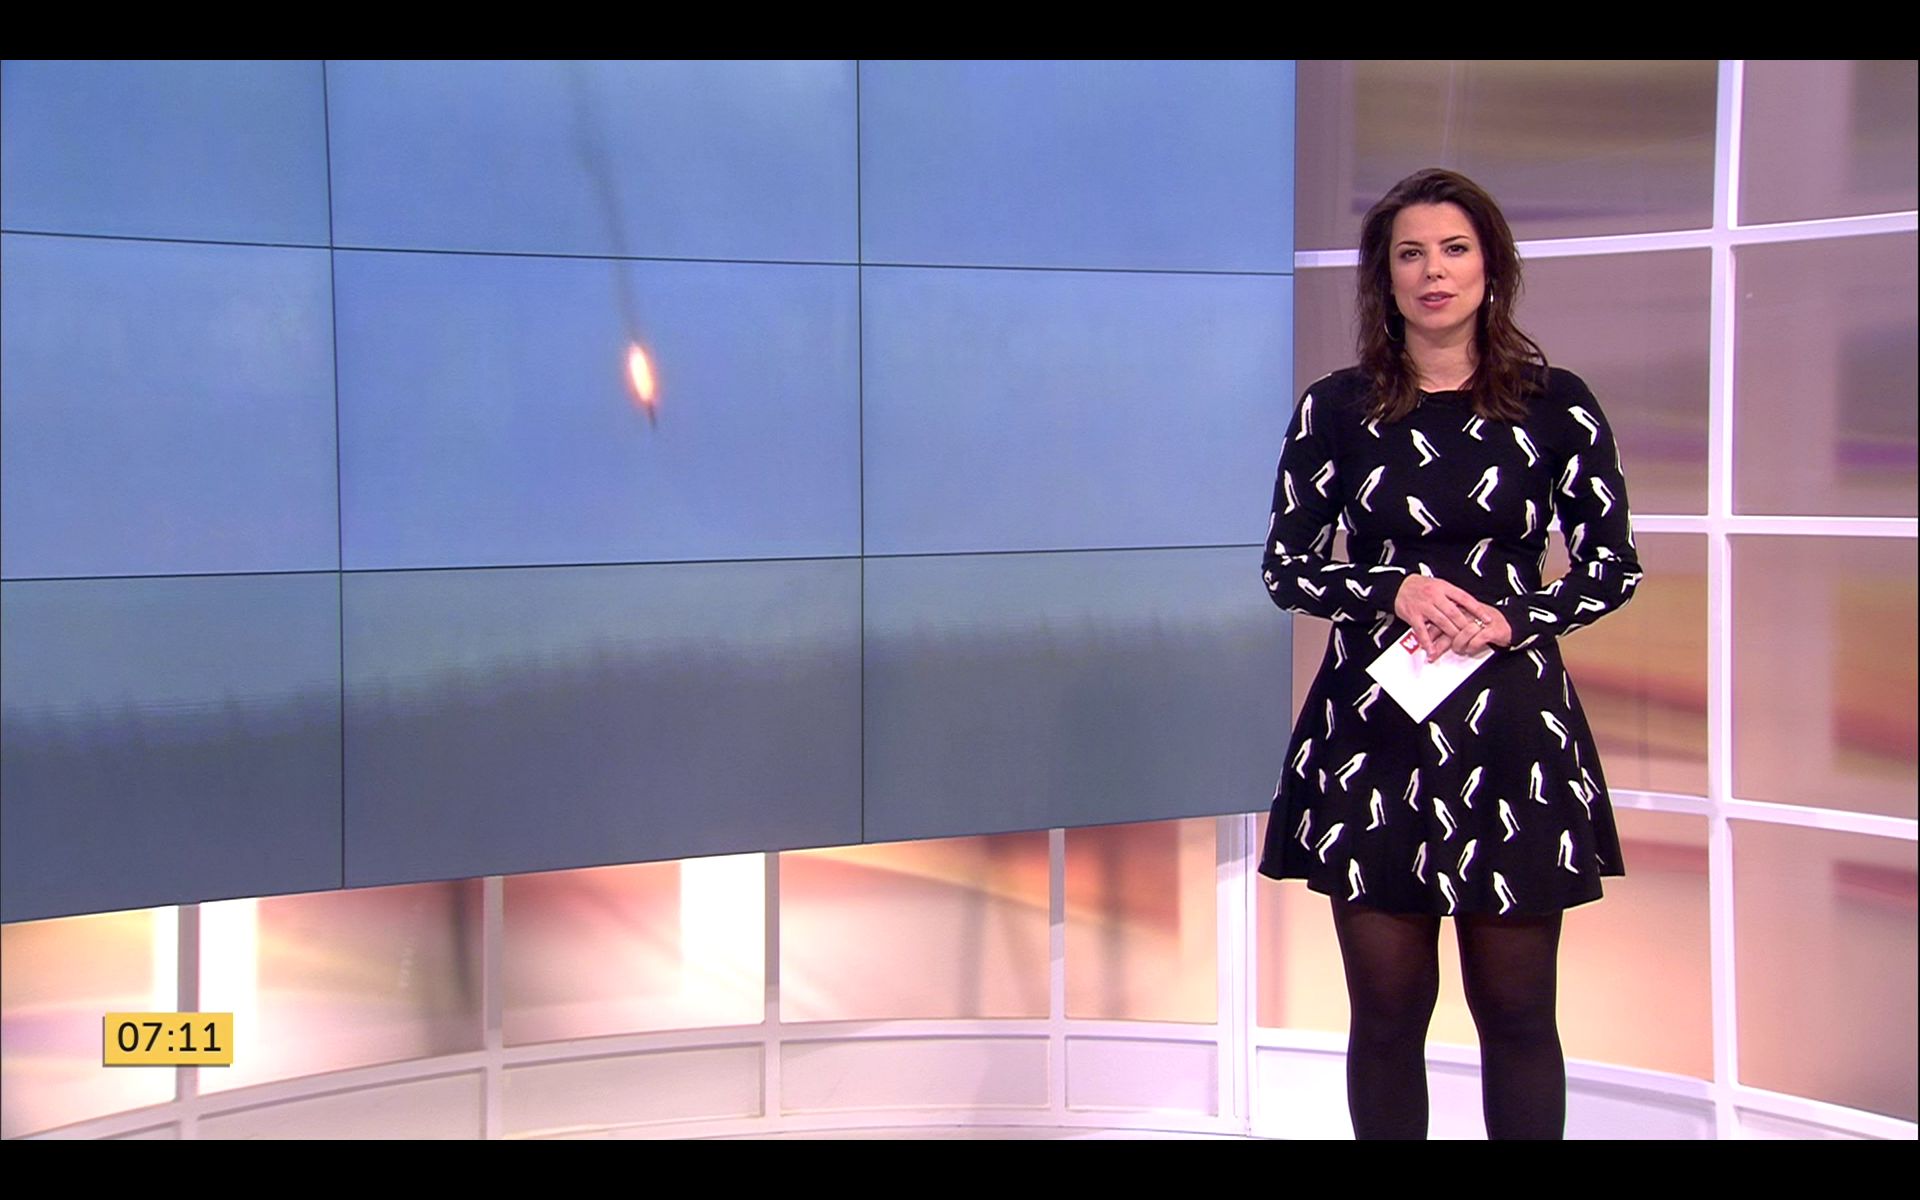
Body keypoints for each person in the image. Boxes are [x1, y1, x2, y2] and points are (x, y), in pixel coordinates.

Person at [1257, 167, 1643, 1140]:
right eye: (1411, 254)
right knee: (1387, 1018)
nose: (1434, 271)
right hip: (1373, 735)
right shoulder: (1335, 409)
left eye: (1455, 249)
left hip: (1512, 731)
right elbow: (1287, 569)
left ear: (1490, 267)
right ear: (1384, 278)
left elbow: (1611, 568)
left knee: (1517, 1015)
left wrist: (1515, 617)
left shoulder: (1557, 406)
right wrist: (1391, 588)